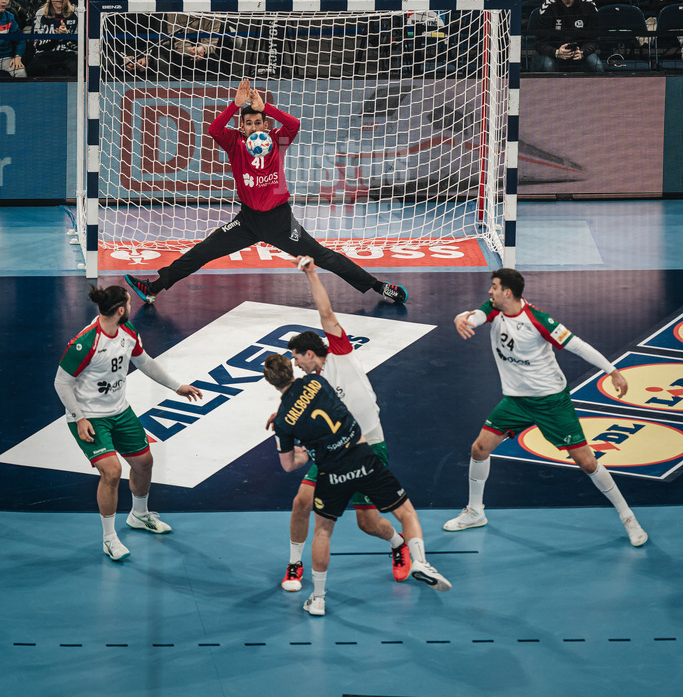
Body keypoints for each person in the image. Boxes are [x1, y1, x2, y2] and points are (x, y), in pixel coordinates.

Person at [125, 79, 408, 305]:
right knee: (202, 251)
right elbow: (213, 129)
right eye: (248, 123)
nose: (253, 127)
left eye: (258, 122)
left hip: (279, 222)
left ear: (265, 126)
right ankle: (153, 288)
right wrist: (234, 106)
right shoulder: (234, 142)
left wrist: (266, 107)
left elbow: (294, 124)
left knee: (323, 256)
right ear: (242, 127)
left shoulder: (277, 139)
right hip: (247, 221)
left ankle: (379, 287)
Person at [443, 268, 648, 548]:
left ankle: (628, 518)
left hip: (551, 402)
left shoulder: (539, 321)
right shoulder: (494, 309)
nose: (489, 291)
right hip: (516, 401)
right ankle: (475, 512)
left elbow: (578, 346)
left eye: (494, 287)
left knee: (587, 462)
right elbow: (476, 317)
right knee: (479, 449)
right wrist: (460, 317)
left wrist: (612, 371)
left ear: (508, 292)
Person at [264, 349, 450, 616]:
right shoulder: (317, 381)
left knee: (326, 531)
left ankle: (318, 599)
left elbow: (288, 464)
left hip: (331, 471)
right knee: (405, 512)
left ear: (269, 382)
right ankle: (420, 561)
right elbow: (322, 405)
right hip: (363, 458)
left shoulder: (282, 421)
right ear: (291, 369)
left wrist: (288, 433)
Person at [274, 255, 413, 594]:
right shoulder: (305, 385)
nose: (295, 363)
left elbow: (326, 313)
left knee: (368, 521)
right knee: (300, 502)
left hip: (369, 445)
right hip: (331, 452)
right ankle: (294, 563)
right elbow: (293, 408)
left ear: (310, 353)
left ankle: (398, 544)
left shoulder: (338, 352)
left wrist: (311, 274)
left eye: (296, 357)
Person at [54, 285, 202, 561]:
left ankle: (139, 514)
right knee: (111, 471)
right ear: (120, 309)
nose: (132, 307)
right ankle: (109, 538)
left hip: (119, 411)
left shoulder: (128, 331)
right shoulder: (86, 342)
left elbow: (144, 362)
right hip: (88, 416)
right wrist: (79, 417)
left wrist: (176, 386)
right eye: (129, 304)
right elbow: (61, 382)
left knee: (144, 462)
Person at [531, 0, 602, 72]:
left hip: (580, 54)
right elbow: (539, 43)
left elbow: (595, 39)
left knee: (596, 65)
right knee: (548, 65)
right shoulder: (548, 5)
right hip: (551, 53)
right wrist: (556, 52)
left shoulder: (589, 5)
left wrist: (583, 52)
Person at [29, 0, 78, 78]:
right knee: (34, 67)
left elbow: (81, 46)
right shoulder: (40, 14)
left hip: (69, 54)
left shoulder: (77, 13)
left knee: (76, 67)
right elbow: (37, 46)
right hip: (45, 54)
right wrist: (55, 37)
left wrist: (67, 37)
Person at [0, 0, 27, 78]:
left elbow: (20, 40)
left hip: (7, 58)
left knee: (20, 73)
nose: (4, 1)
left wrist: (18, 57)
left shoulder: (10, 17)